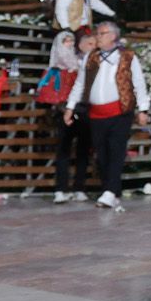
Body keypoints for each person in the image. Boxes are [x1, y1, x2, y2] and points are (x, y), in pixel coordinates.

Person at [62, 21, 150, 210]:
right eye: (97, 33)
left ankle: (109, 192)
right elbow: (80, 83)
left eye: (101, 34)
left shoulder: (127, 57)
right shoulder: (90, 58)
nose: (97, 37)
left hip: (120, 113)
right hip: (97, 114)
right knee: (101, 155)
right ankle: (112, 191)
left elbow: (139, 83)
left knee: (116, 151)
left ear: (112, 36)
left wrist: (143, 109)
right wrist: (70, 107)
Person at [43, 28, 91, 202]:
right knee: (63, 150)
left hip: (83, 111)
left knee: (83, 151)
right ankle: (61, 189)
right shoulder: (57, 68)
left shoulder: (82, 64)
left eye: (71, 41)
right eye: (66, 42)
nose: (69, 45)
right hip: (64, 112)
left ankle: (79, 187)